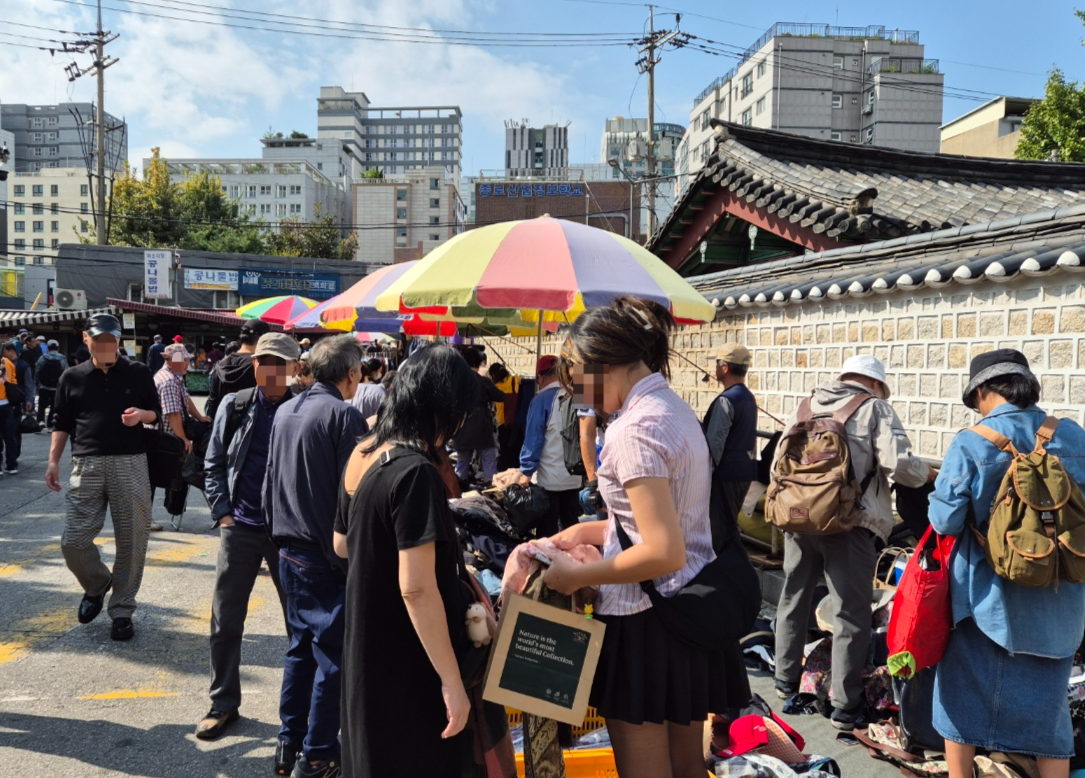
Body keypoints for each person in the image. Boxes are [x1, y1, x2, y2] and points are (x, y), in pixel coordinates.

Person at [540, 297, 751, 778]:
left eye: (579, 384)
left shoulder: (633, 430)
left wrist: (578, 575)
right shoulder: (673, 408)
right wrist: (585, 530)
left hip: (646, 622)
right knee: (687, 767)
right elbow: (664, 523)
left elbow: (662, 550)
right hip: (688, 613)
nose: (582, 399)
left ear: (601, 363)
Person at [929, 350, 1085, 778]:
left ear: (982, 391)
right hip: (1059, 603)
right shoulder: (1073, 436)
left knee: (959, 705)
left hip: (984, 603)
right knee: (1048, 720)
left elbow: (944, 520)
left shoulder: (973, 441)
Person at [332, 345, 480, 777]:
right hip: (408, 660)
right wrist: (452, 682)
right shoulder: (415, 472)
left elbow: (342, 544)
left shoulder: (365, 451)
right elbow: (416, 588)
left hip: (365, 647)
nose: (459, 425)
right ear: (441, 406)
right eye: (460, 413)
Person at [772, 354, 933, 731]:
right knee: (850, 614)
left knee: (792, 598)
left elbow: (777, 463)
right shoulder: (875, 408)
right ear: (875, 384)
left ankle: (784, 682)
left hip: (797, 521)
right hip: (850, 524)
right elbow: (902, 467)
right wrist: (930, 475)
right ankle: (845, 706)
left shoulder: (805, 405)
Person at [265, 334, 368, 778]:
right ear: (350, 374)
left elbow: (269, 480)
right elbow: (356, 495)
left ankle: (290, 744)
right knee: (330, 656)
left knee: (300, 650)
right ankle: (320, 752)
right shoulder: (344, 416)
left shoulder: (288, 409)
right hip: (322, 552)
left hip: (287, 546)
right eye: (359, 372)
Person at [198, 333, 300, 741]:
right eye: (263, 362)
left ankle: (301, 713)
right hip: (240, 528)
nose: (270, 370)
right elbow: (214, 461)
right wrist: (223, 513)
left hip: (288, 535)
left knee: (299, 624)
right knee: (226, 620)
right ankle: (223, 703)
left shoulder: (301, 409)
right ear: (254, 364)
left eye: (280, 363)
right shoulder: (234, 404)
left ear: (293, 368)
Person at [48, 313, 161, 642]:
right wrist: (52, 461)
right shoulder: (72, 377)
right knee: (74, 540)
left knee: (132, 539)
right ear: (87, 340)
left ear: (118, 341)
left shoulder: (138, 373)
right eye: (99, 341)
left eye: (111, 340)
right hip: (87, 464)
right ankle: (97, 585)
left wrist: (141, 415)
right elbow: (61, 422)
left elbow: (154, 411)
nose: (106, 346)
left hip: (131, 463)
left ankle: (122, 610)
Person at [495, 355, 583, 536]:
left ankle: (548, 563)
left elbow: (533, 440)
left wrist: (526, 471)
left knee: (548, 531)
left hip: (548, 479)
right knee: (572, 527)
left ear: (540, 378)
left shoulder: (541, 400)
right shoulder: (579, 394)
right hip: (575, 477)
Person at [703, 343, 758, 552]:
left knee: (719, 532)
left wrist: (704, 476)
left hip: (725, 475)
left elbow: (713, 445)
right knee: (729, 525)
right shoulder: (748, 397)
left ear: (724, 368)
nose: (715, 369)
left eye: (717, 364)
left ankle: (728, 576)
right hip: (743, 472)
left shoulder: (726, 400)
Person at [449, 348, 505, 487]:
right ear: (479, 363)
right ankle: (489, 495)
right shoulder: (483, 381)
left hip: (461, 431)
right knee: (489, 462)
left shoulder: (456, 383)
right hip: (482, 430)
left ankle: (457, 493)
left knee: (462, 463)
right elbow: (500, 396)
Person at [153, 343, 212, 454]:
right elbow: (173, 413)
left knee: (205, 426)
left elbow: (186, 399)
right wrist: (182, 439)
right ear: (170, 360)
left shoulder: (175, 376)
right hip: (167, 436)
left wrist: (199, 417)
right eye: (183, 360)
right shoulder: (169, 381)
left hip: (173, 430)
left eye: (187, 360)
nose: (186, 364)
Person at [206, 321, 270, 421]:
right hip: (250, 430)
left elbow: (212, 402)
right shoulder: (259, 365)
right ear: (263, 339)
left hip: (223, 426)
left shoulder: (220, 365)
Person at [3, 340, 35, 468]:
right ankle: (12, 457)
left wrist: (29, 399)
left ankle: (14, 454)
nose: (2, 355)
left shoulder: (22, 365)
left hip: (16, 400)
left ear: (11, 351)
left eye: (4, 352)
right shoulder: (6, 364)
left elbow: (29, 384)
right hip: (8, 401)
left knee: (15, 429)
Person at [36, 339, 69, 430]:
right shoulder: (62, 358)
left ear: (48, 347)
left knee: (42, 405)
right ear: (58, 348)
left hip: (44, 385)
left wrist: (37, 384)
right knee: (54, 405)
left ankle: (40, 421)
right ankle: (50, 423)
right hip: (57, 386)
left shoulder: (42, 358)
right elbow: (66, 372)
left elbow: (37, 371)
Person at [0, 345, 20, 474]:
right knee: (9, 436)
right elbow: (13, 382)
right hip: (6, 403)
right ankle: (11, 465)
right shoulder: (7, 363)